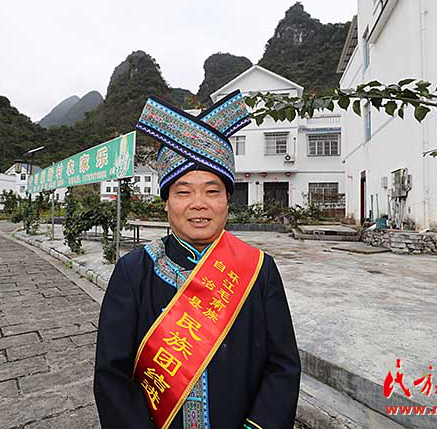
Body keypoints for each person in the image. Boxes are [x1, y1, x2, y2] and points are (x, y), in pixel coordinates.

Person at [94, 90, 301, 429]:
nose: (199, 203)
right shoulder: (133, 271)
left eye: (212, 190)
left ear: (227, 200)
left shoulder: (259, 269)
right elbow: (112, 375)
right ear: (166, 201)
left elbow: (283, 367)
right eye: (183, 191)